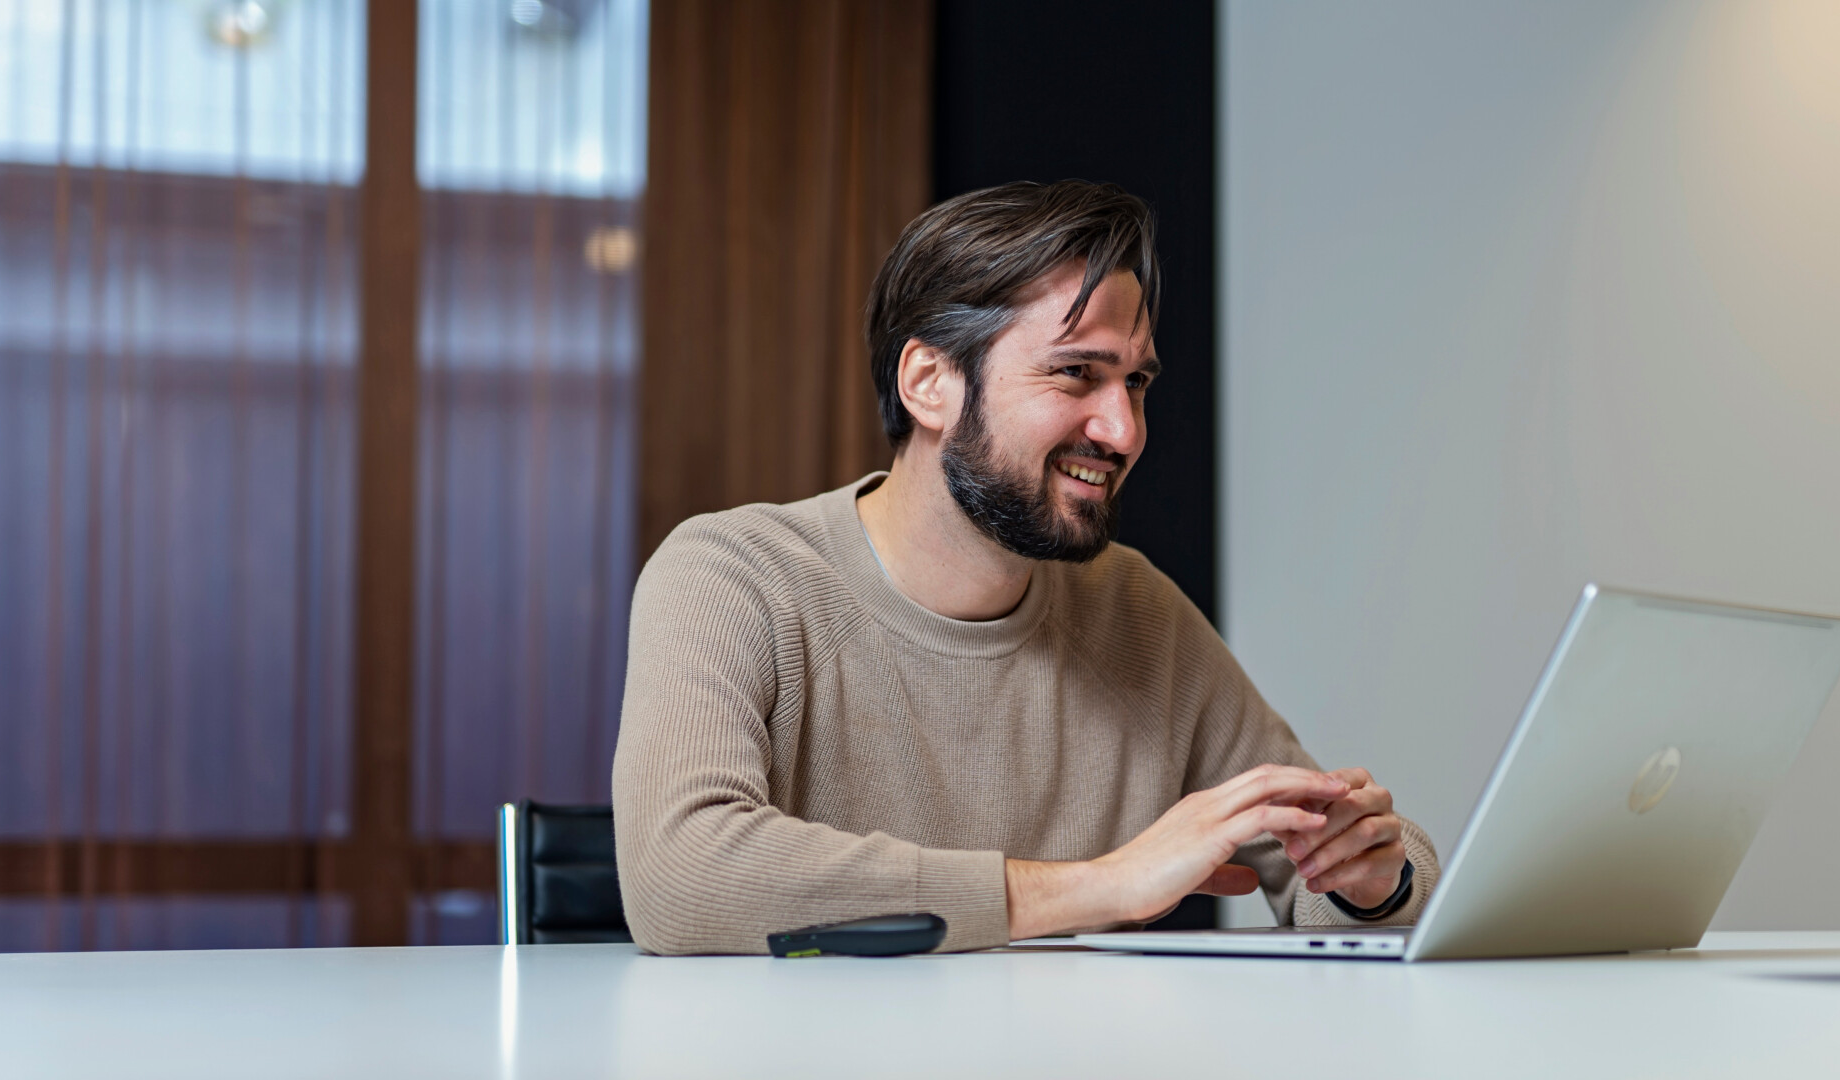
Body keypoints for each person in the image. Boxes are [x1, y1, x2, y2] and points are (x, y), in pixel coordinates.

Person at [613, 180, 1438, 954]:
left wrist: (1373, 882)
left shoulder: (1135, 610)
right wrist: (1099, 887)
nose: (1123, 431)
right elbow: (679, 876)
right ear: (929, 382)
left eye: (1136, 382)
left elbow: (1320, 879)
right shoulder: (732, 577)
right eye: (1077, 372)